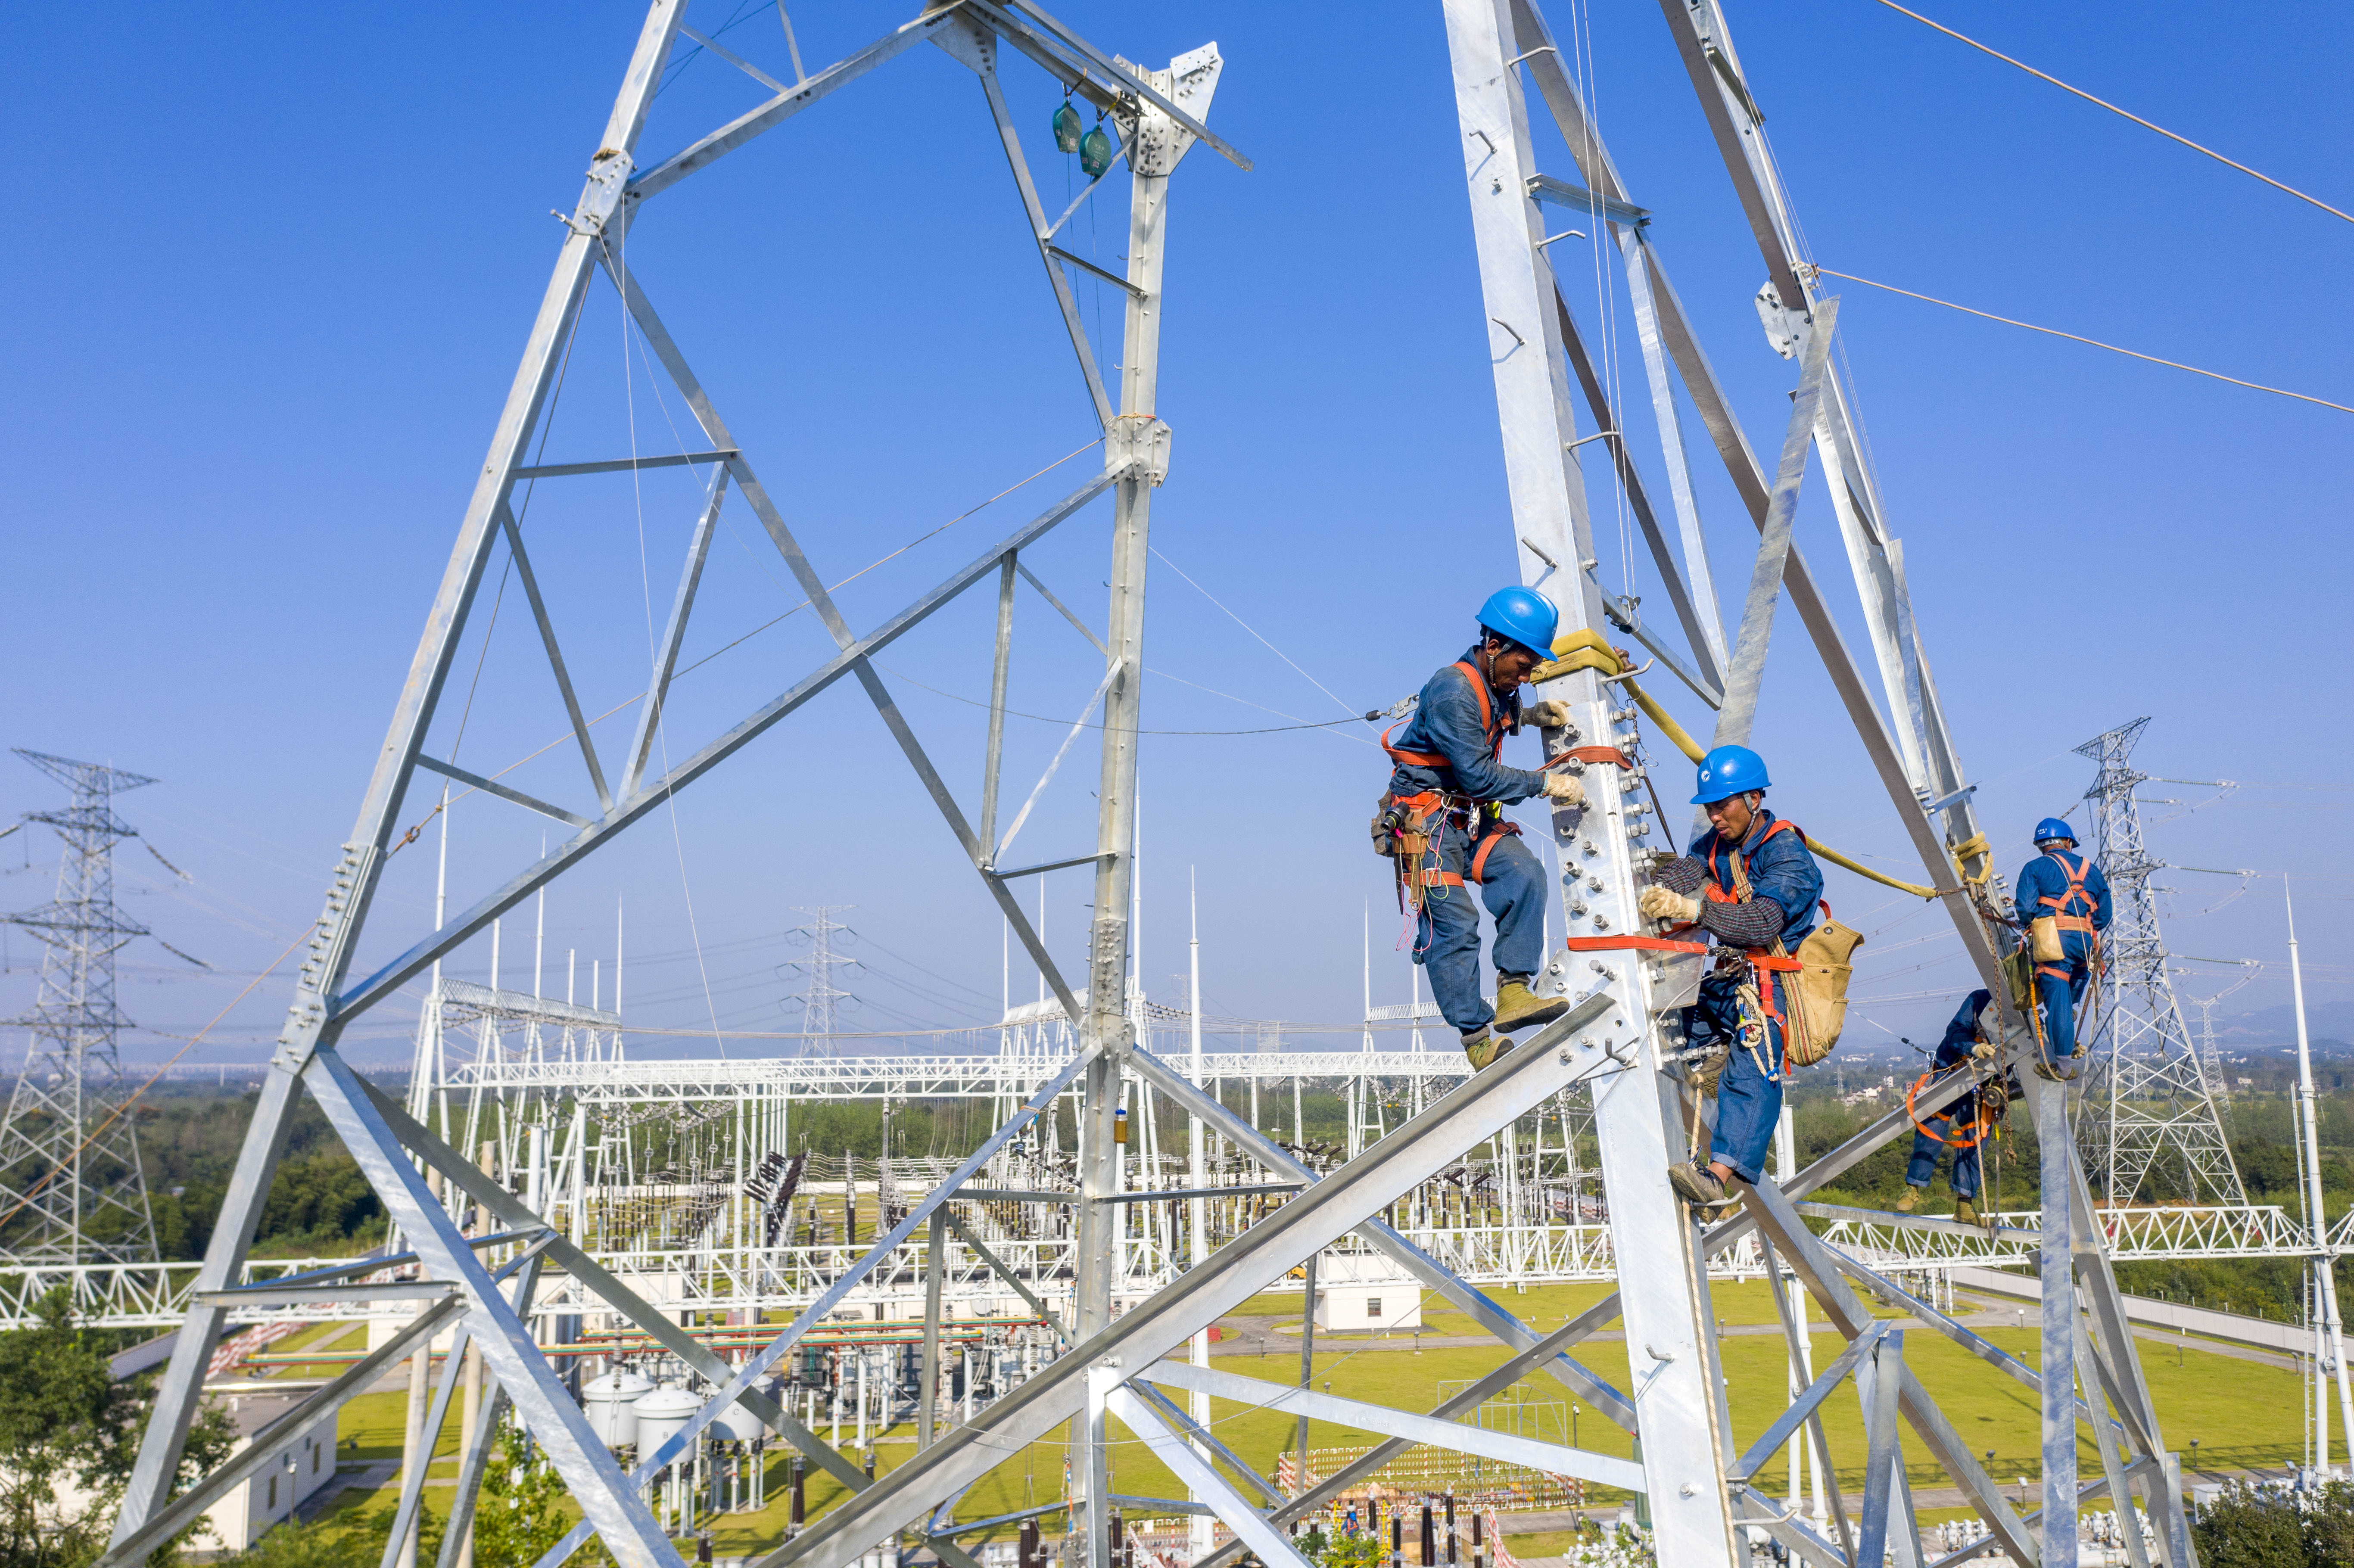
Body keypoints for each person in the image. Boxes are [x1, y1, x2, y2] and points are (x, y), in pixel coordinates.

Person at [1379, 586, 1586, 1068]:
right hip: (1427, 825)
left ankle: (1514, 990)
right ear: (1493, 646)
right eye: (1523, 664)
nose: (1526, 675)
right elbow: (1476, 774)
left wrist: (1532, 716)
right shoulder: (1452, 690)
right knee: (1455, 927)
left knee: (1524, 875)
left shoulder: (1497, 686)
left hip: (1466, 819)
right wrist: (1544, 784)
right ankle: (1476, 1038)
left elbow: (1498, 713)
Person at [1636, 745, 1824, 1209]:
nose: (1715, 816)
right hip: (1733, 978)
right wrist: (1655, 884)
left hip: (1775, 983)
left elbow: (1761, 923)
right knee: (1670, 1019)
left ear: (1754, 798)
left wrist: (1693, 909)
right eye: (1709, 807)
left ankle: (1717, 1176)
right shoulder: (1716, 843)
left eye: (1723, 805)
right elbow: (1689, 869)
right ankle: (1697, 1072)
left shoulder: (1787, 855)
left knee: (1755, 1062)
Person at [2013, 817, 2111, 1062]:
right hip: (2086, 943)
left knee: (2058, 1001)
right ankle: (2069, 1014)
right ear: (2068, 842)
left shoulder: (2034, 868)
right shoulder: (2092, 869)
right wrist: (2086, 928)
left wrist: (2032, 924)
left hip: (2054, 942)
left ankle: (2063, 1064)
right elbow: (2105, 913)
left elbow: (2025, 908)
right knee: (2070, 992)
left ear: (2041, 845)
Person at [1899, 987, 2000, 1223]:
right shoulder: (1980, 1000)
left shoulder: (2025, 1011)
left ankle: (1965, 1205)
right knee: (1932, 1128)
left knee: (1976, 1138)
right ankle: (1913, 1187)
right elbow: (1955, 1031)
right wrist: (1973, 1047)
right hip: (1952, 1072)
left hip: (1983, 1080)